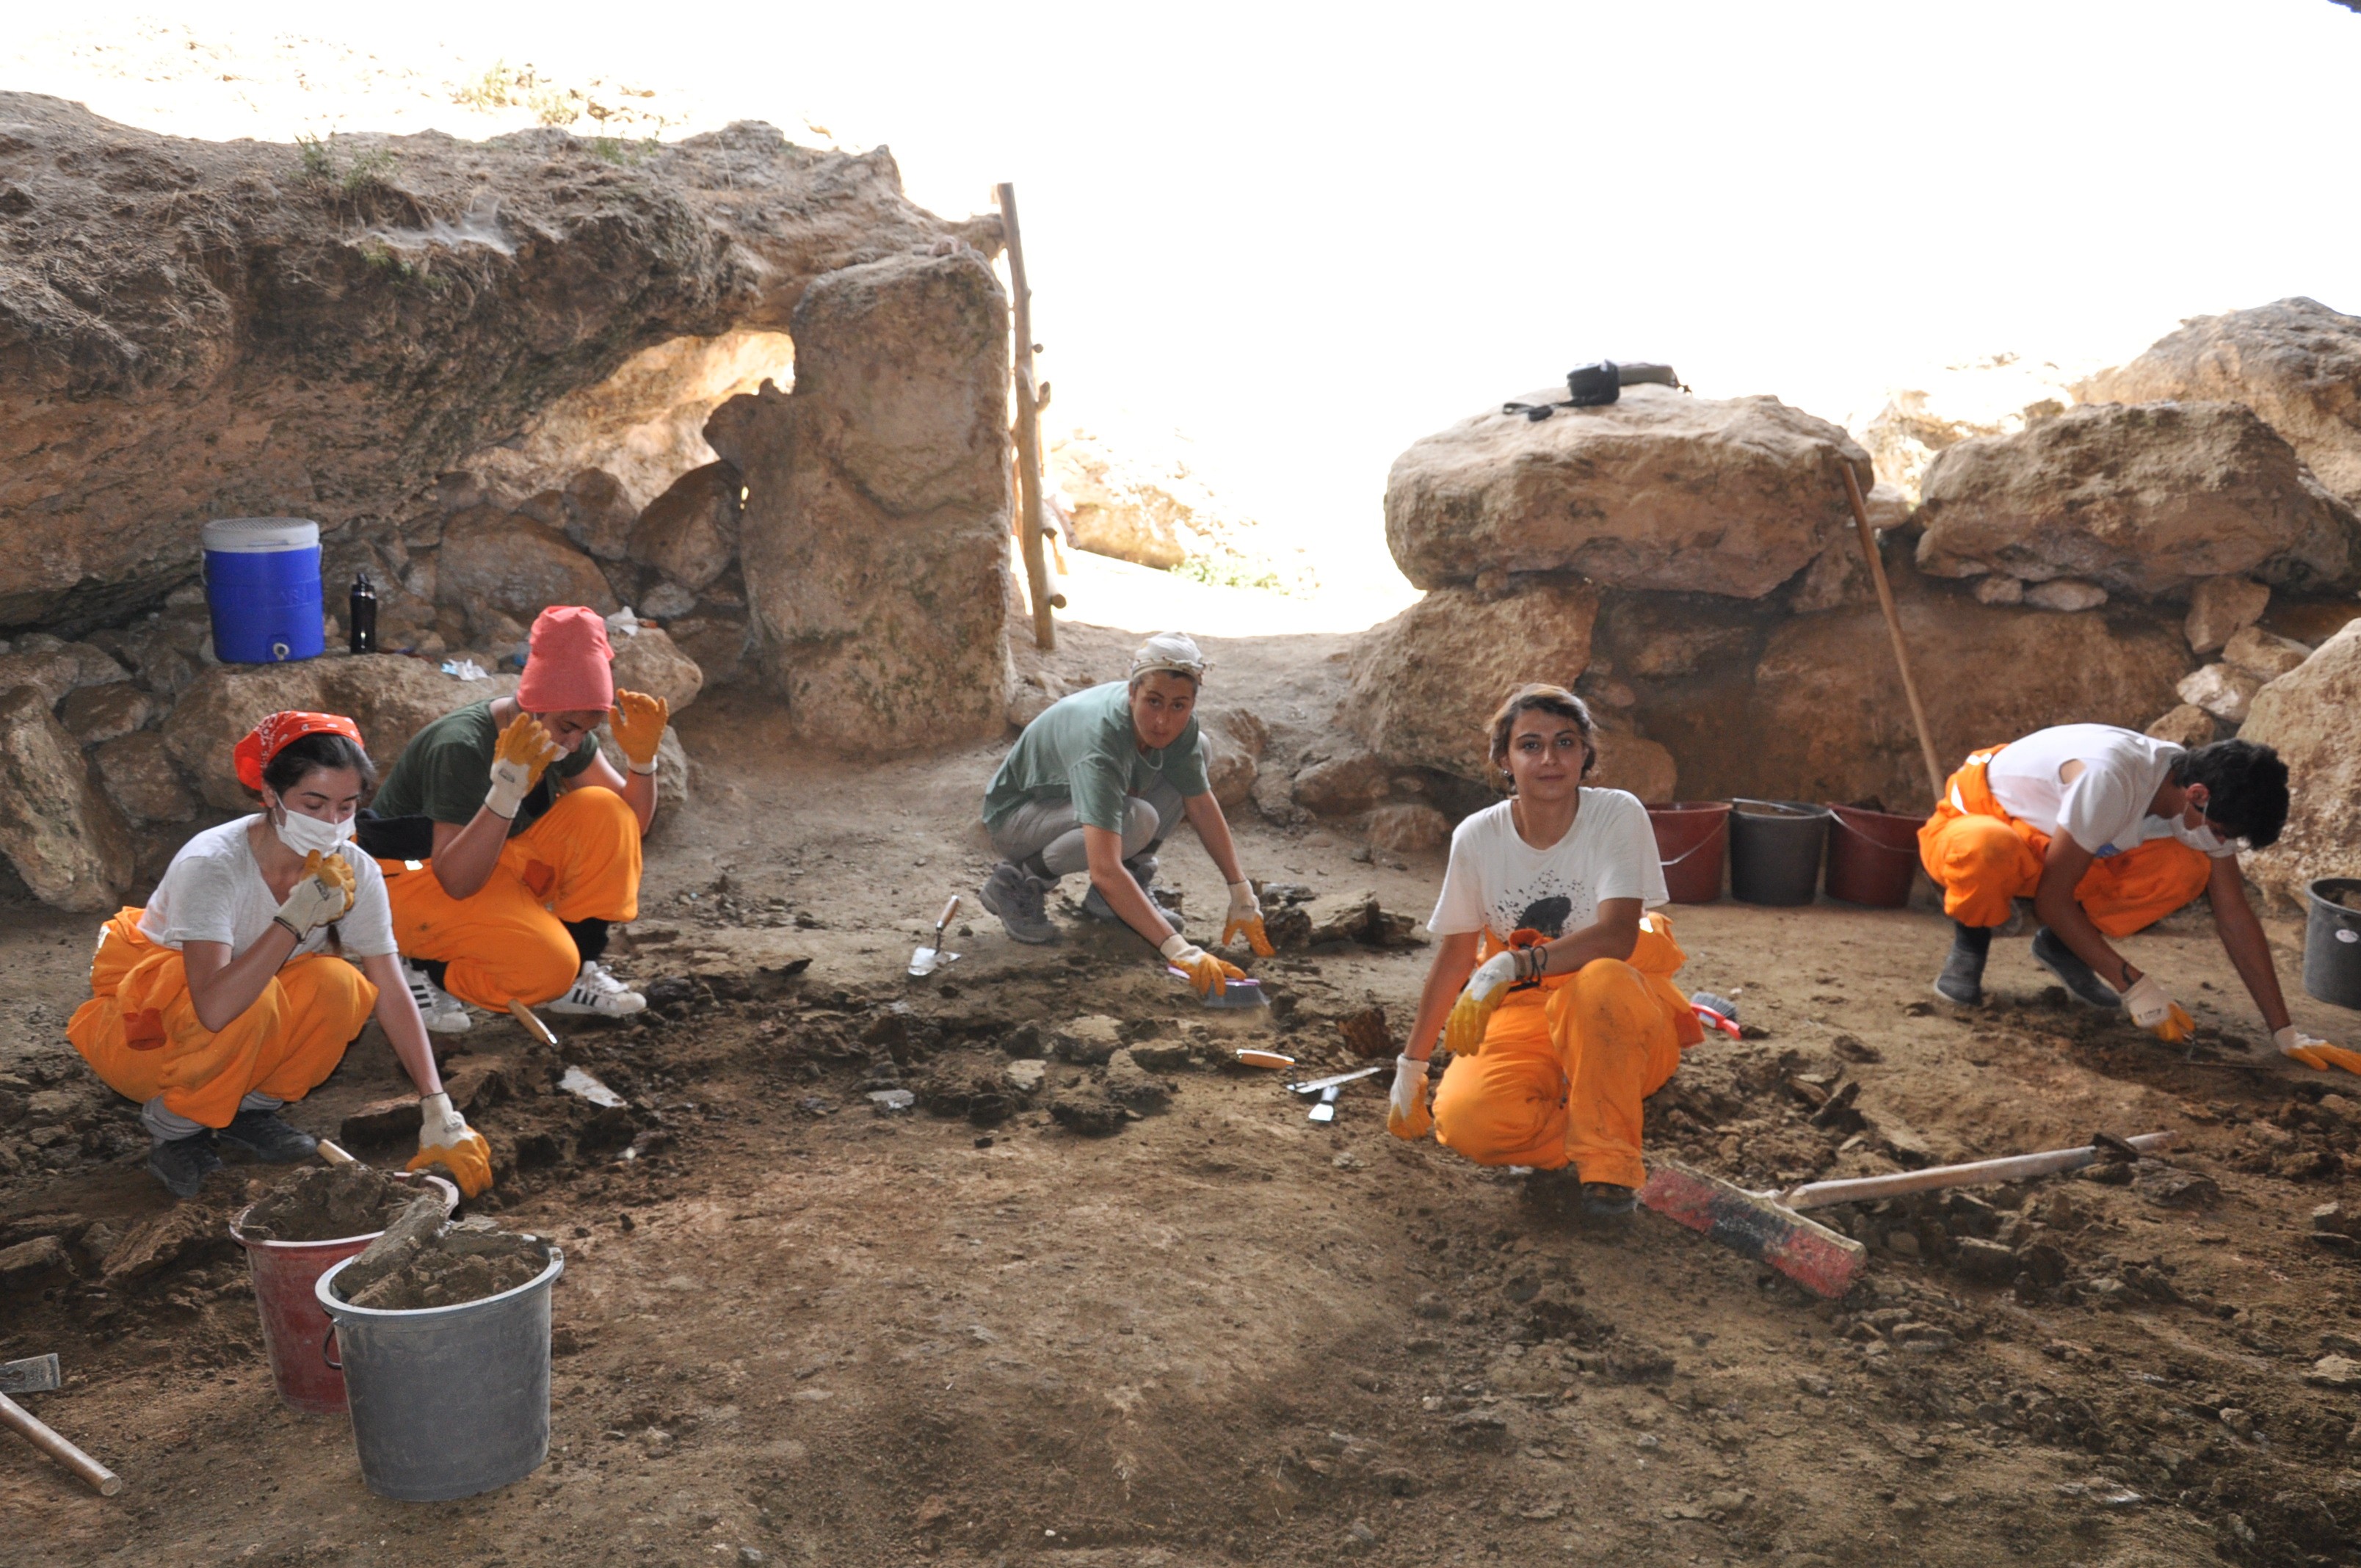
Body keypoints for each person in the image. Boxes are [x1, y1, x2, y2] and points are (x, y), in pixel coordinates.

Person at [68, 713, 493, 1199]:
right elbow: (215, 1005)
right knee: (257, 996)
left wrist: (437, 1105)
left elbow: (391, 988)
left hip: (235, 1022)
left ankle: (247, 1110)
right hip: (152, 1027)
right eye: (314, 804)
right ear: (270, 794)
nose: (332, 823)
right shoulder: (213, 863)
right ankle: (176, 1130)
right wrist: (294, 920)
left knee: (344, 986)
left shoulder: (354, 867)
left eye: (347, 806)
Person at [1388, 685, 1703, 1219]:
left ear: (1586, 756)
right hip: (1525, 1007)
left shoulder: (1615, 816)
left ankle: (1608, 1167)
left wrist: (1516, 961)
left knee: (1601, 978)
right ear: (1505, 760)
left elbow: (1618, 935)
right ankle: (1592, 1114)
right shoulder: (1477, 838)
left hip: (1620, 1009)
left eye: (1566, 742)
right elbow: (1456, 956)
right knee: (1469, 1125)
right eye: (1530, 745)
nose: (1549, 759)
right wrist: (1411, 1066)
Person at [1918, 723, 2358, 1072]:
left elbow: (2235, 916)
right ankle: (1970, 941)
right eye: (2222, 832)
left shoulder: (2200, 798)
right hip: (1982, 821)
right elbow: (2052, 900)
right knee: (1988, 850)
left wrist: (2285, 1031)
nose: (2221, 842)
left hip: (2063, 845)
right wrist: (2133, 983)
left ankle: (2061, 945)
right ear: (2198, 796)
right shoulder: (2111, 779)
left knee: (2186, 866)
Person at [367, 605, 667, 1032]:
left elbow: (629, 826)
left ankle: (578, 971)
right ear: (532, 705)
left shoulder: (565, 732)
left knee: (605, 811)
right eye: (567, 727)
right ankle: (428, 966)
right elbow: (456, 880)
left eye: (587, 729)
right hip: (414, 877)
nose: (575, 741)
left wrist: (643, 763)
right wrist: (506, 792)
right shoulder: (461, 747)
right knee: (545, 972)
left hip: (489, 858)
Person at [977, 631, 1272, 995]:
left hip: (1070, 805)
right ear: (1132, 692)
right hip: (1019, 816)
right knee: (1134, 820)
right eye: (1153, 702)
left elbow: (1199, 802)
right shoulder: (1101, 743)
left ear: (1192, 704)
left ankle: (1116, 899)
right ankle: (1017, 880)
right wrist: (1180, 950)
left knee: (1199, 749)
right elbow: (1104, 870)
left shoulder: (1178, 729)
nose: (1163, 721)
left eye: (1179, 706)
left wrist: (1241, 893)